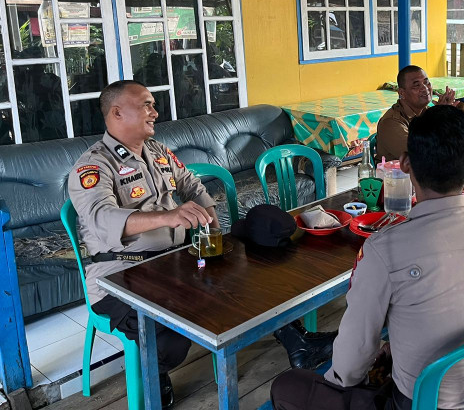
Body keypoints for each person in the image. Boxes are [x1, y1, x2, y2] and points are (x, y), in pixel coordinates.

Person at [68, 80, 334, 409]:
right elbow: (101, 217)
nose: (155, 112)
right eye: (146, 105)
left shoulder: (158, 152)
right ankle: (157, 372)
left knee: (250, 274)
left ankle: (298, 344)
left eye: (153, 104)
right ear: (117, 112)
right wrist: (168, 217)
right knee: (171, 336)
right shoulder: (93, 166)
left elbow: (192, 185)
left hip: (174, 260)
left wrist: (208, 219)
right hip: (121, 272)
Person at [271, 106, 464, 410]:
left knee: (288, 386)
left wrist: (338, 385)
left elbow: (351, 362)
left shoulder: (384, 248)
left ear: (405, 164)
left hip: (417, 404)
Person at [375, 65, 464, 161]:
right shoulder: (391, 122)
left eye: (427, 83)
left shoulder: (427, 111)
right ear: (402, 93)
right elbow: (422, 154)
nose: (425, 88)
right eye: (416, 85)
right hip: (396, 176)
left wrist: (444, 114)